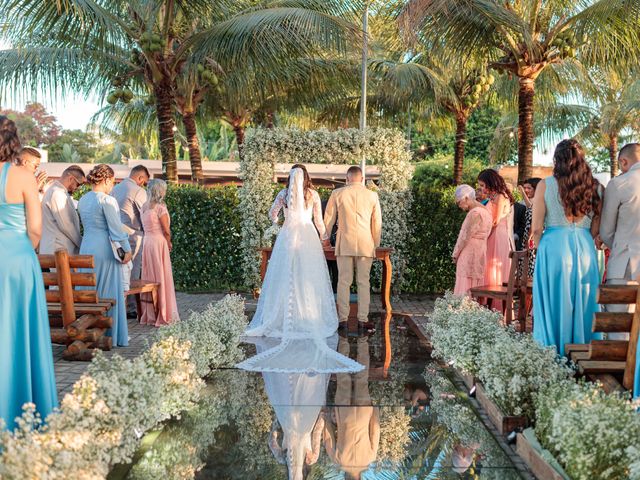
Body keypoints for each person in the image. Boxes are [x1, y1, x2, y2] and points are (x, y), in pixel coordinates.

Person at [237, 165, 363, 374]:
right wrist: (325, 239)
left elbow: (272, 215)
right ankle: (307, 318)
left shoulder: (283, 194)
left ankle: (281, 318)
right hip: (307, 238)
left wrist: (280, 220)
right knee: (308, 278)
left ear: (290, 177)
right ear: (306, 177)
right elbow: (319, 222)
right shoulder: (312, 194)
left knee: (285, 277)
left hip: (287, 238)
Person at [0, 115, 57, 430]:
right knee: (20, 331)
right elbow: (35, 231)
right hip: (18, 259)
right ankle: (23, 414)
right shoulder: (23, 176)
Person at [531, 139, 602, 355]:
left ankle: (554, 353)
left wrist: (539, 247)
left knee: (553, 302)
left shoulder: (545, 184)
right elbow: (596, 225)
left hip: (553, 247)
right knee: (584, 300)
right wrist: (584, 238)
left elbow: (536, 228)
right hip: (584, 247)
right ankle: (583, 351)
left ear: (556, 159)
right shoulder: (595, 186)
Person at [78, 164, 132, 347]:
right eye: (113, 181)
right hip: (104, 249)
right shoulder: (107, 200)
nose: (113, 185)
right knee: (109, 291)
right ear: (107, 179)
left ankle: (88, 330)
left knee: (90, 290)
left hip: (86, 246)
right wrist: (127, 249)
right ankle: (108, 334)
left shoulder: (83, 199)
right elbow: (116, 230)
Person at [324, 166, 383, 330]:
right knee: (364, 282)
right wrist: (375, 244)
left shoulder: (337, 193)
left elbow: (328, 219)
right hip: (366, 243)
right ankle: (363, 319)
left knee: (343, 282)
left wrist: (325, 239)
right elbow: (377, 222)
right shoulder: (372, 195)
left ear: (347, 178)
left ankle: (342, 319)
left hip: (345, 243)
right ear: (362, 179)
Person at [600, 144, 640, 357]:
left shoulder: (619, 183)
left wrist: (622, 244)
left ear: (623, 162)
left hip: (624, 264)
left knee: (619, 331)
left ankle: (623, 385)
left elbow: (606, 231)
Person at [324, 335, 380, 479]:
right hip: (344, 414)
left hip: (363, 415)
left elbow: (375, 431)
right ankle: (343, 339)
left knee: (362, 378)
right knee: (343, 378)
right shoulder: (338, 460)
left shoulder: (370, 458)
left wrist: (375, 412)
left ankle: (363, 340)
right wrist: (326, 418)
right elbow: (328, 438)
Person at [111, 165, 149, 317]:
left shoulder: (115, 188)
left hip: (117, 234)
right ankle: (131, 308)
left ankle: (120, 303)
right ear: (140, 178)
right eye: (144, 181)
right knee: (133, 271)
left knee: (120, 269)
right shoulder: (138, 191)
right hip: (134, 234)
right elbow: (145, 214)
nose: (144, 185)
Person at [140, 179, 179, 327]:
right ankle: (164, 312)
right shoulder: (160, 207)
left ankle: (150, 313)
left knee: (149, 276)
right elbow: (166, 230)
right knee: (162, 276)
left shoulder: (144, 207)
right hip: (158, 242)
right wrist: (168, 241)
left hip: (147, 242)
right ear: (159, 191)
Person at [477, 169, 514, 309]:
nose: (481, 188)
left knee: (493, 268)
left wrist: (481, 234)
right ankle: (485, 303)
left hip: (497, 236)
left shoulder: (500, 196)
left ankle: (494, 305)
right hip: (492, 235)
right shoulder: (493, 197)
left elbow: (494, 221)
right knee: (487, 268)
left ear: (489, 182)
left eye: (482, 185)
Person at [452, 184, 493, 296]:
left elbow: (465, 236)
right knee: (475, 280)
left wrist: (456, 253)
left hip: (469, 251)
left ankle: (462, 309)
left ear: (466, 198)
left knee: (464, 280)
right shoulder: (486, 210)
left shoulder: (474, 213)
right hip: (481, 249)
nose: (459, 206)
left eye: (459, 202)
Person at [39, 165, 86, 255]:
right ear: (71, 179)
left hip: (60, 249)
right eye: (79, 184)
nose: (78, 188)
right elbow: (66, 225)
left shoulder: (59, 191)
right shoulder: (57, 193)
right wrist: (82, 244)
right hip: (57, 250)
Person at [519, 177, 542, 277]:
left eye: (529, 188)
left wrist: (529, 239)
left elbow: (534, 223)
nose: (526, 190)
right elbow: (529, 206)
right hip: (529, 238)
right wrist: (523, 193)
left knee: (529, 267)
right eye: (525, 188)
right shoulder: (537, 202)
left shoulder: (539, 203)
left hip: (531, 239)